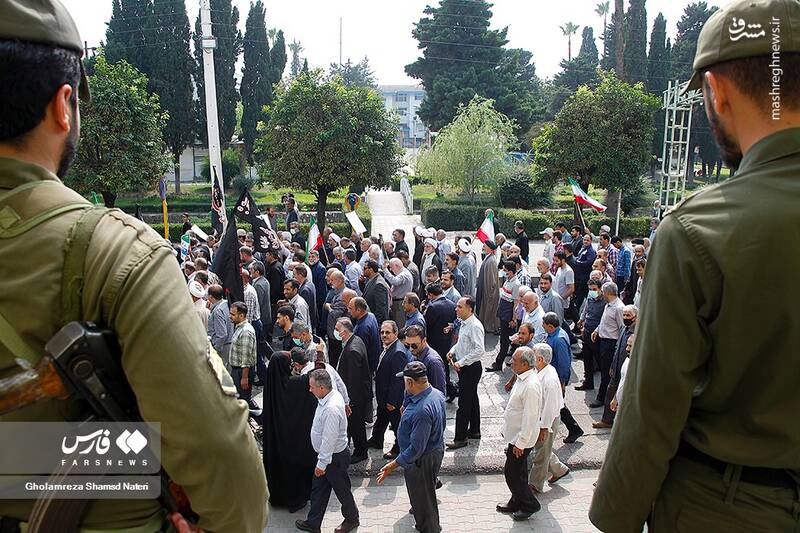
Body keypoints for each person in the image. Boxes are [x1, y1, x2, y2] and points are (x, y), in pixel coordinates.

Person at [592, 6, 800, 525]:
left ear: (717, 91)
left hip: (728, 506)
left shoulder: (698, 230)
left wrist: (615, 518)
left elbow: (653, 410)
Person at [377, 361, 447, 533]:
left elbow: (416, 449)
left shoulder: (421, 411)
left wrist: (393, 465)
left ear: (410, 383)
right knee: (423, 494)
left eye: (405, 382)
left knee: (424, 501)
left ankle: (429, 528)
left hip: (421, 459)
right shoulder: (436, 394)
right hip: (434, 450)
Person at [295, 370, 360, 533]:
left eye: (312, 387)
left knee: (342, 490)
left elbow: (329, 440)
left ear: (322, 388)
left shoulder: (331, 408)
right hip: (328, 457)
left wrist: (322, 463)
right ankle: (313, 522)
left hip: (333, 458)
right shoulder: (329, 396)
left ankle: (352, 519)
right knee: (318, 490)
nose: (310, 390)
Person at [263, 351, 318, 513]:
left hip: (276, 442)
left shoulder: (271, 387)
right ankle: (295, 499)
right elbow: (313, 376)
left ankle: (278, 497)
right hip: (293, 444)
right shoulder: (295, 384)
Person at [497, 346, 542, 521]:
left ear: (525, 364)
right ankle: (516, 501)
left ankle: (530, 504)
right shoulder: (522, 377)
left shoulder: (531, 385)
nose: (510, 364)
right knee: (520, 472)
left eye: (514, 361)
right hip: (515, 435)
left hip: (521, 439)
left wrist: (521, 443)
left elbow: (530, 417)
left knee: (512, 474)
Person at [528, 343, 570, 492]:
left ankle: (534, 484)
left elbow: (549, 409)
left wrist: (544, 428)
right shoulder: (542, 370)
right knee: (542, 448)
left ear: (539, 359)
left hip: (548, 420)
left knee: (541, 453)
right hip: (540, 417)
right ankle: (559, 469)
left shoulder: (549, 380)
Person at [368, 321, 411, 459]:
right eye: (382, 332)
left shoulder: (398, 352)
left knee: (397, 424)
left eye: (387, 332)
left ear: (396, 334)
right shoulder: (388, 347)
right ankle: (376, 440)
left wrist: (392, 401)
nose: (384, 335)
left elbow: (397, 380)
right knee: (381, 419)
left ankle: (399, 448)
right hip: (383, 396)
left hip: (392, 399)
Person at [446, 296, 484, 449]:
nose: (456, 309)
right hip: (465, 367)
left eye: (460, 307)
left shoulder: (475, 326)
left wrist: (460, 362)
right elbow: (462, 343)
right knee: (472, 399)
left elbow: (479, 350)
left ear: (470, 309)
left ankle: (460, 438)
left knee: (463, 404)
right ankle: (474, 430)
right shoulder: (464, 323)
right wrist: (453, 351)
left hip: (470, 368)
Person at [334, 318, 372, 464]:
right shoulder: (355, 340)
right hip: (355, 395)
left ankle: (361, 451)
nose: (335, 332)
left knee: (357, 425)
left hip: (355, 397)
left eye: (337, 329)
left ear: (344, 332)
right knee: (351, 425)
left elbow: (354, 380)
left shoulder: (352, 350)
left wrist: (349, 401)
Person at [542, 313, 584, 444]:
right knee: (556, 404)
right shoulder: (554, 334)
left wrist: (562, 382)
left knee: (557, 404)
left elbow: (564, 363)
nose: (542, 326)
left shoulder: (559, 339)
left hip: (557, 378)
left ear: (550, 326)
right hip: (552, 375)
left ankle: (574, 429)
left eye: (543, 324)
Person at [595, 304, 637, 429]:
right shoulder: (624, 329)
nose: (625, 317)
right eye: (624, 315)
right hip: (618, 367)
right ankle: (607, 420)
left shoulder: (637, 332)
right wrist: (613, 365)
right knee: (611, 393)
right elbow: (618, 349)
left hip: (628, 370)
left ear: (636, 317)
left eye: (628, 315)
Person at [590, 282, 624, 409]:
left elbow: (622, 329)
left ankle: (602, 398)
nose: (600, 294)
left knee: (606, 373)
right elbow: (604, 321)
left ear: (608, 293)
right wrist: (597, 330)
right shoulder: (608, 305)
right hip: (603, 341)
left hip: (611, 344)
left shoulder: (619, 308)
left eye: (602, 291)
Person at [423, 282, 457, 400]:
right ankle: (450, 389)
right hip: (446, 341)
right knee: (444, 365)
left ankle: (449, 389)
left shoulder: (433, 307)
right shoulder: (452, 304)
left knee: (438, 367)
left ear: (431, 295)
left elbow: (427, 325)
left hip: (434, 343)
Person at [487, 261, 521, 372]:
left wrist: (513, 318)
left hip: (508, 315)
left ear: (510, 272)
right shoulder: (508, 281)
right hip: (503, 312)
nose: (504, 273)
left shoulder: (516, 284)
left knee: (504, 340)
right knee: (509, 338)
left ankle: (498, 362)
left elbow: (516, 303)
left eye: (505, 271)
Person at [576, 279, 605, 391]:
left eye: (594, 289)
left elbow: (604, 319)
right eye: (590, 289)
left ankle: (603, 387)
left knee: (599, 361)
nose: (592, 292)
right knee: (587, 359)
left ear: (600, 289)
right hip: (587, 330)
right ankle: (588, 382)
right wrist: (581, 320)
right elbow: (586, 309)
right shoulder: (590, 297)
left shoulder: (604, 302)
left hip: (597, 334)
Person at [229, 301, 258, 410]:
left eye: (233, 314)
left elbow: (246, 357)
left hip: (242, 372)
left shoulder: (246, 331)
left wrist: (244, 377)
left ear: (241, 315)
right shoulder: (240, 327)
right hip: (237, 371)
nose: (230, 316)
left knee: (243, 401)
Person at [403, 325, 447, 397]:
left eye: (414, 345)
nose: (410, 349)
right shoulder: (415, 354)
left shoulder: (434, 362)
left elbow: (440, 394)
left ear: (424, 341)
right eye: (407, 345)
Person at [348, 296, 381, 373]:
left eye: (350, 308)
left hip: (366, 367)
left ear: (359, 310)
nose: (348, 311)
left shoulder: (363, 328)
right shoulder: (371, 315)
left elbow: (360, 353)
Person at [475, 240, 500, 333]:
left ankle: (489, 327)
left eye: (485, 246)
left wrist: (488, 294)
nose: (483, 247)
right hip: (485, 291)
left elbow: (491, 281)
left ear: (490, 248)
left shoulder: (491, 261)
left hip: (488, 292)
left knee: (489, 311)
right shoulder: (488, 258)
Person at [207, 284, 234, 364]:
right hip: (229, 344)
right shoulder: (226, 303)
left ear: (211, 297)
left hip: (223, 347)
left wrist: (215, 349)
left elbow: (222, 334)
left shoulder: (217, 311)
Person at [384, 257, 414, 328]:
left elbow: (394, 281)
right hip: (397, 303)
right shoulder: (403, 273)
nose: (390, 269)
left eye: (391, 267)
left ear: (397, 266)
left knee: (399, 324)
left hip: (399, 304)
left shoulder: (404, 275)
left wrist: (385, 270)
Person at [294, 263, 319, 332]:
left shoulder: (305, 290)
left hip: (308, 323)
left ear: (300, 275)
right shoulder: (310, 283)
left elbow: (304, 309)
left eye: (295, 274)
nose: (294, 277)